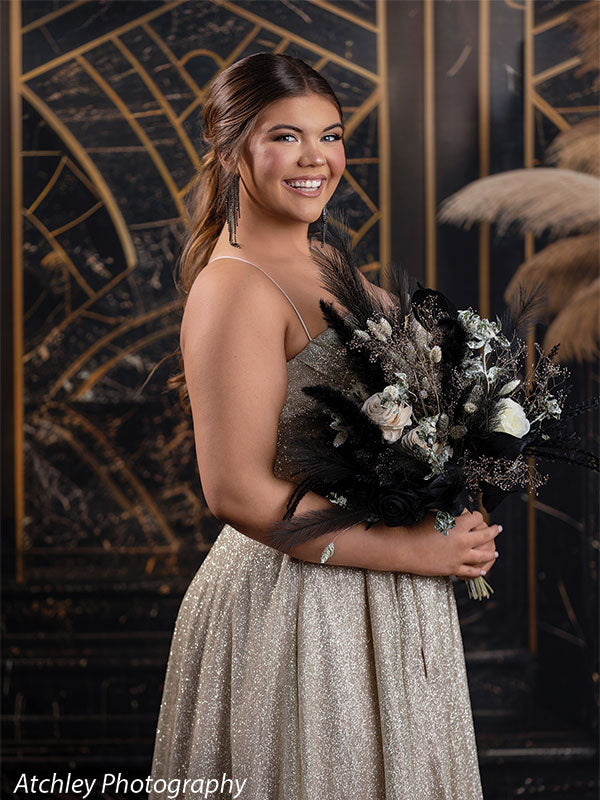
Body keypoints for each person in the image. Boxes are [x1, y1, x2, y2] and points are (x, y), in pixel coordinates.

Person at [148, 52, 500, 800]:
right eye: (286, 137)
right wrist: (418, 551)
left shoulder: (325, 259)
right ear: (231, 148)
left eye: (331, 135)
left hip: (385, 596)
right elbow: (237, 492)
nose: (317, 159)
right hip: (300, 612)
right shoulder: (233, 288)